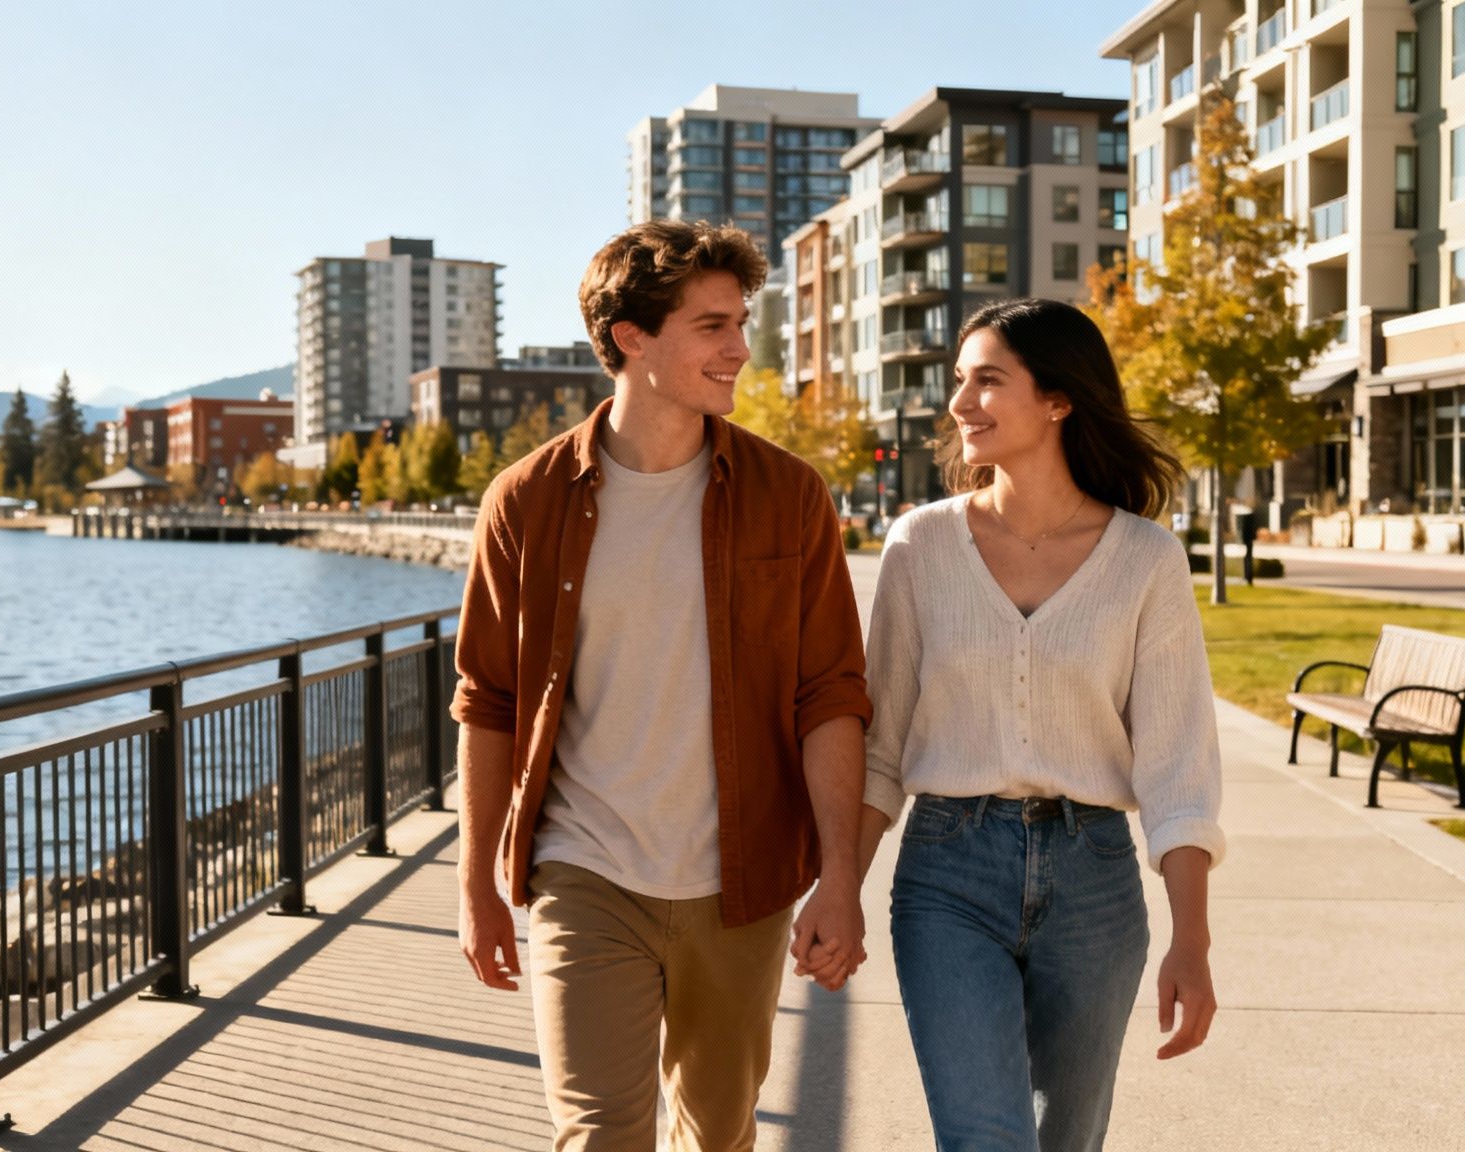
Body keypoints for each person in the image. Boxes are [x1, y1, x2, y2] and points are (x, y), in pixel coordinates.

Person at [452, 219, 873, 1151]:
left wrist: (841, 878)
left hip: (741, 879)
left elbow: (831, 695)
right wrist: (477, 880)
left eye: (741, 321)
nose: (740, 348)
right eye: (713, 326)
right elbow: (488, 700)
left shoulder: (788, 495)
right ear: (631, 337)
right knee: (601, 1136)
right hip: (584, 868)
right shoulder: (526, 500)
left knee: (719, 1134)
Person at [860, 297, 1224, 1152]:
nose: (960, 403)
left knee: (1066, 1143)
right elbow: (881, 746)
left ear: (1058, 399)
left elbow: (1177, 768)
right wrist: (838, 888)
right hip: (947, 870)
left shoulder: (1145, 559)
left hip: (1094, 879)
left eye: (989, 380)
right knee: (986, 1139)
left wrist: (1193, 941)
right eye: (960, 381)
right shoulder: (919, 547)